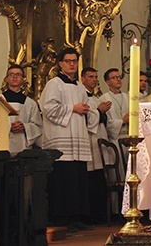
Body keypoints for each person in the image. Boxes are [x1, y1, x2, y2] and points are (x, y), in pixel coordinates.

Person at [39, 47, 97, 231]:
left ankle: (76, 217)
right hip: (61, 137)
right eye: (68, 61)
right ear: (60, 63)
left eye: (75, 61)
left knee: (77, 177)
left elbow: (88, 108)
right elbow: (48, 108)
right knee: (63, 178)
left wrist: (87, 111)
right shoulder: (54, 84)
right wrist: (73, 109)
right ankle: (61, 218)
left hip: (78, 137)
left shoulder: (80, 86)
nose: (72, 64)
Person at [81, 67, 111, 223]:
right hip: (89, 142)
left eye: (95, 76)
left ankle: (100, 215)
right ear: (83, 79)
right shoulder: (82, 97)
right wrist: (99, 111)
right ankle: (91, 216)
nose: (94, 79)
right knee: (90, 178)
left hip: (99, 140)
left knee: (99, 177)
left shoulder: (96, 98)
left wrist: (102, 113)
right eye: (91, 76)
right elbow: (87, 120)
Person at [2, 64, 42, 155]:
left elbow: (38, 127)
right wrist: (9, 126)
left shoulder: (30, 103)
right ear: (6, 79)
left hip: (23, 146)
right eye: (11, 74)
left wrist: (25, 127)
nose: (14, 77)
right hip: (3, 147)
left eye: (18, 74)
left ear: (23, 79)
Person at [101, 68, 129, 162]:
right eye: (114, 77)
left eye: (119, 77)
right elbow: (105, 124)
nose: (118, 79)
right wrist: (122, 121)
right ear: (108, 82)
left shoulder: (128, 97)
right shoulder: (104, 99)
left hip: (130, 139)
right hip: (115, 141)